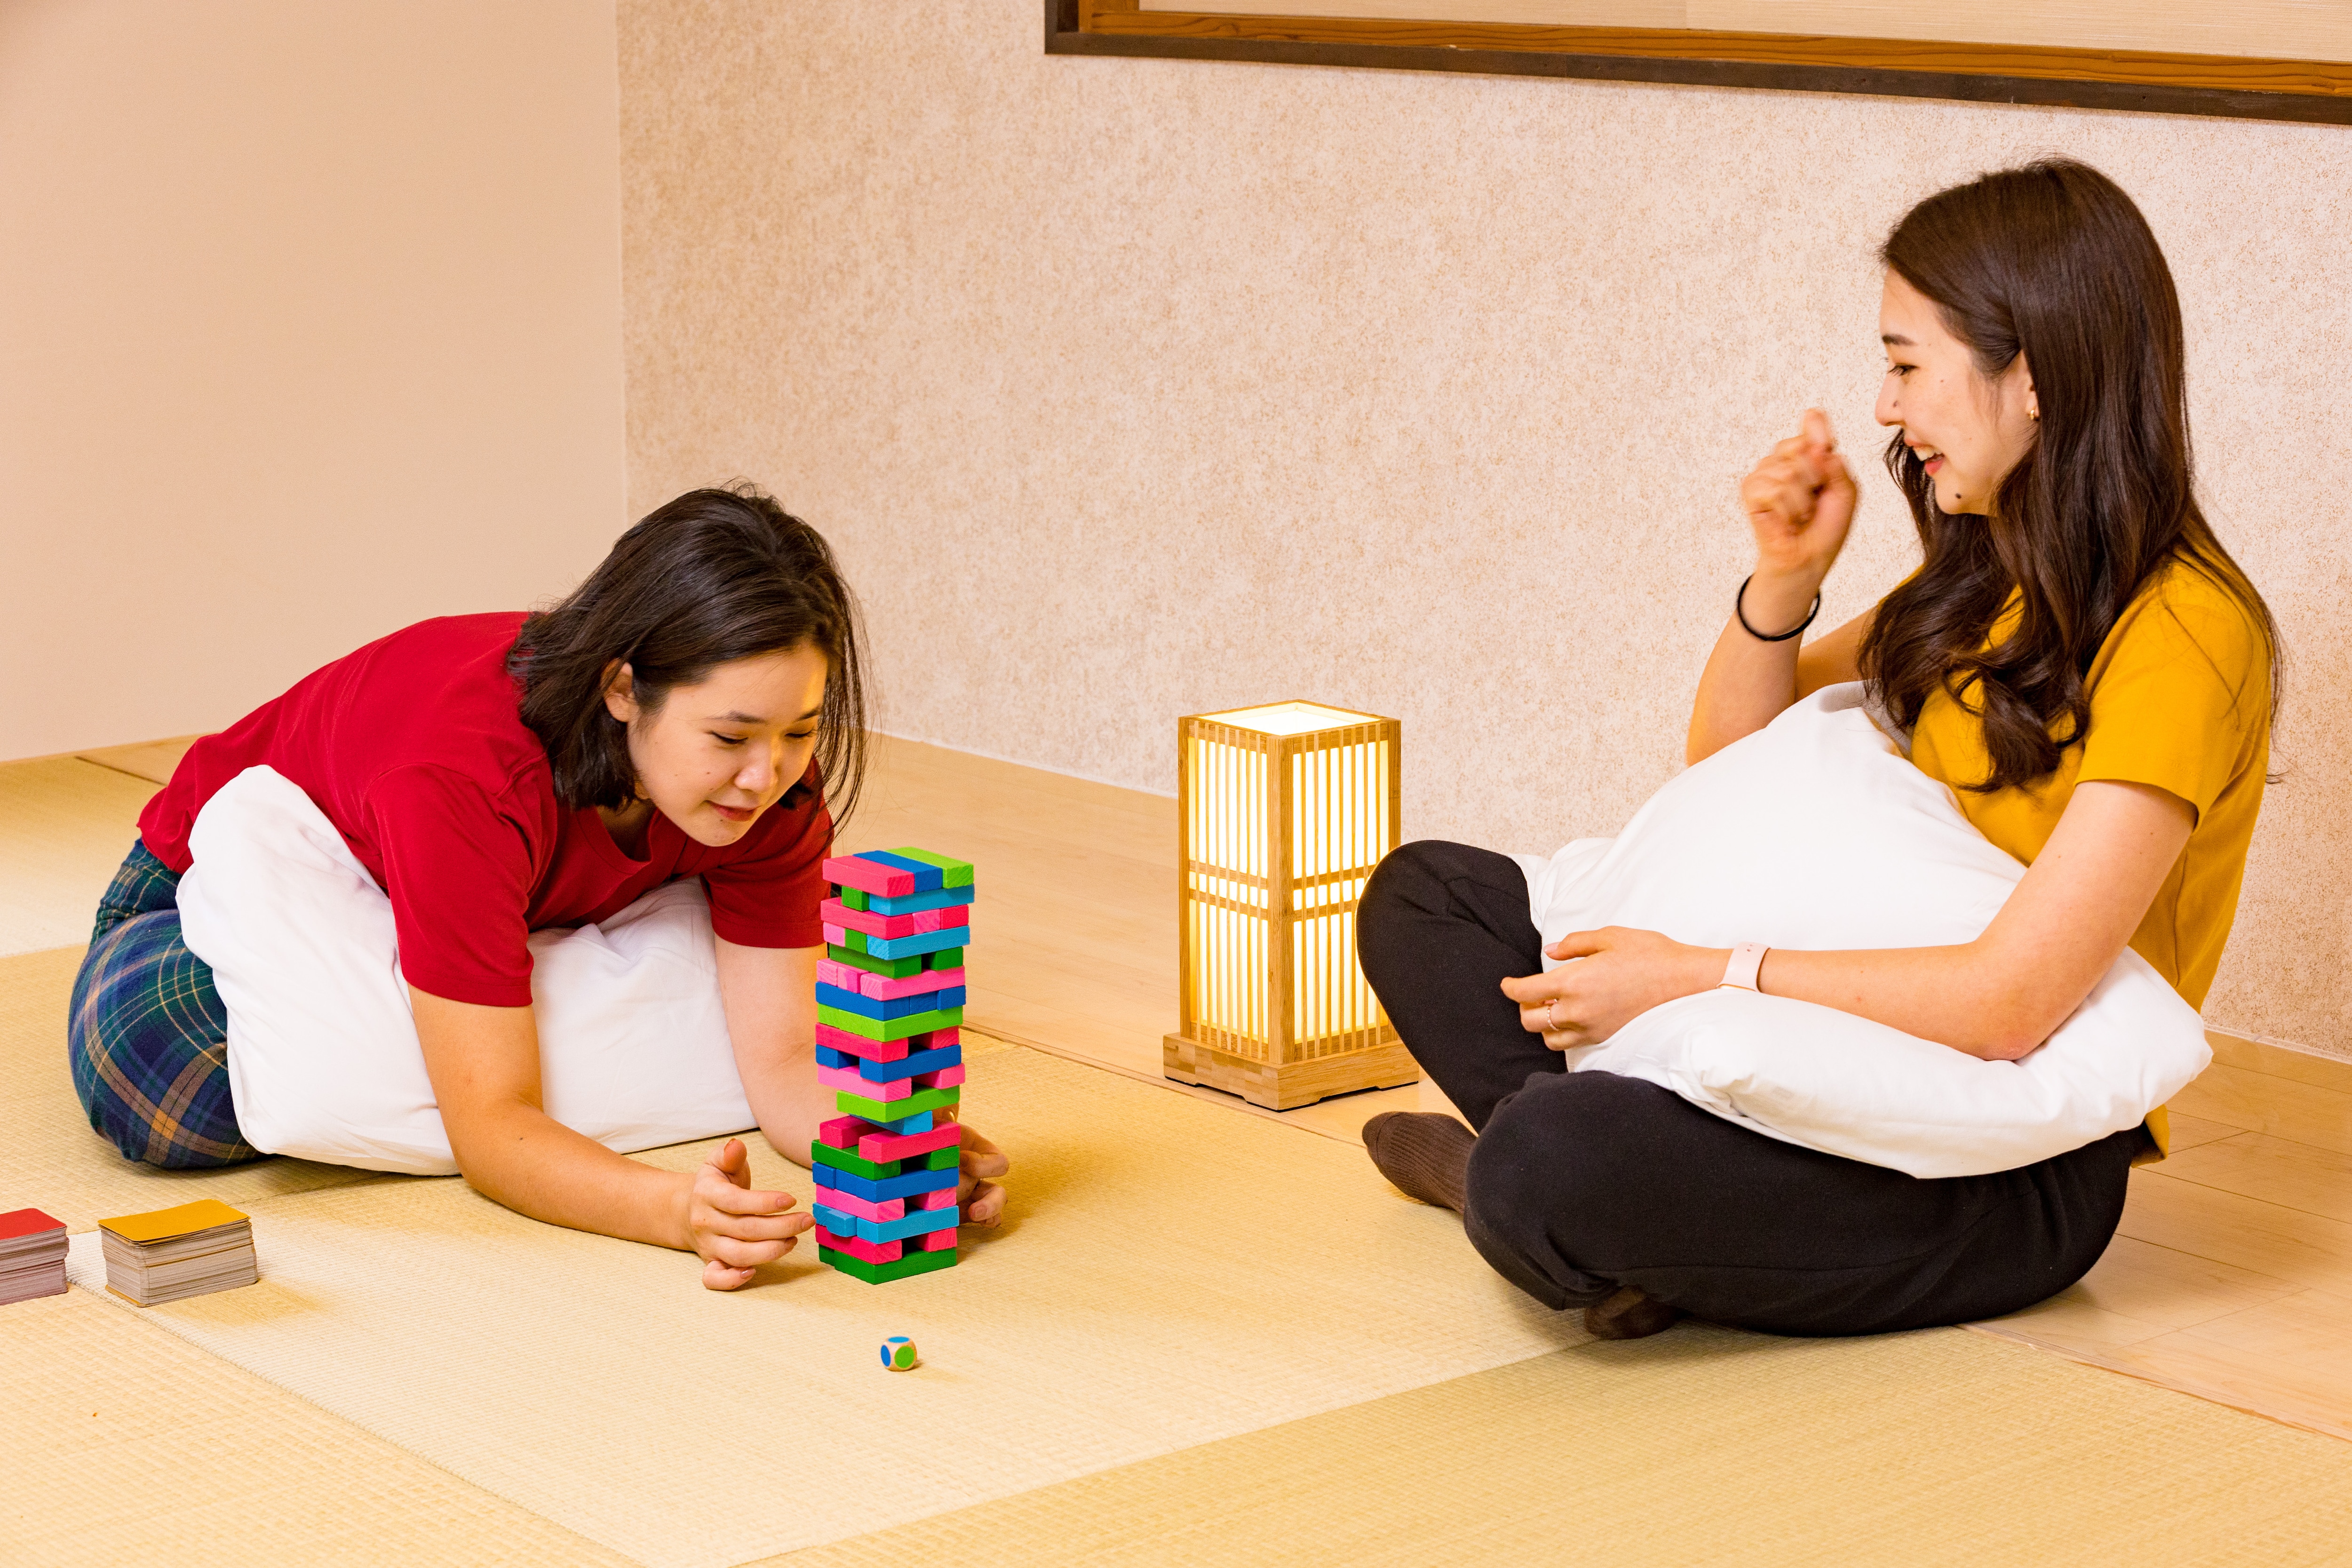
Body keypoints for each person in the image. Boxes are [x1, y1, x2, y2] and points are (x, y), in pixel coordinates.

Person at [1355, 159, 2277, 1339]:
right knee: (1422, 895)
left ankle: (1555, 1189)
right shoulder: (1979, 576)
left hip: (2007, 1166)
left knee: (1545, 1159)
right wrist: (1784, 576)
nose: (1886, 408)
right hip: (1813, 1051)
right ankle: (1628, 1214)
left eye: (1905, 364)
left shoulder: (2184, 631)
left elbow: (2012, 1004)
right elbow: (1726, 765)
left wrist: (1693, 972)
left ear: (2031, 376)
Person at [69, 484, 1009, 1290]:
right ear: (620, 690)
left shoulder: (775, 798)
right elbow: (492, 1131)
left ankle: (507, 1003)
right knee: (164, 1081)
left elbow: (789, 1060)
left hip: (510, 900)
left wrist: (898, 1146)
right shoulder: (466, 776)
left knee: (756, 1030)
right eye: (729, 738)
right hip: (219, 889)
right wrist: (668, 1206)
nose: (767, 777)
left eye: (798, 730)